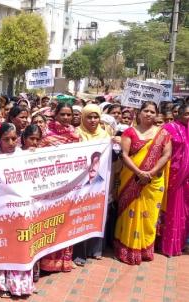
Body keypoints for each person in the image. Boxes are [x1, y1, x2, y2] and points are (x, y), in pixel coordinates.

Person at [115, 101, 171, 265]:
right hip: (131, 178)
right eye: (145, 111)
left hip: (153, 182)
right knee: (129, 212)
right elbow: (124, 155)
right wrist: (139, 172)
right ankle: (127, 249)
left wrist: (150, 173)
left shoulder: (163, 134)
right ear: (139, 113)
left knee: (150, 216)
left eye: (152, 112)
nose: (148, 114)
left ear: (156, 114)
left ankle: (145, 248)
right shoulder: (129, 132)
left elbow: (166, 155)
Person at [0, 123, 35, 297]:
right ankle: (1, 284)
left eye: (14, 138)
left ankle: (20, 285)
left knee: (19, 244)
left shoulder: (24, 155)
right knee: (3, 245)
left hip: (21, 209)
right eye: (6, 139)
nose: (11, 142)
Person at [39, 104, 79, 272]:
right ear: (55, 115)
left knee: (66, 222)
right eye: (62, 114)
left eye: (69, 114)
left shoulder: (76, 135)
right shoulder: (46, 134)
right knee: (49, 223)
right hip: (49, 186)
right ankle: (46, 261)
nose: (66, 117)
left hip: (69, 186)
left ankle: (64, 259)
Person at [72, 104, 111, 266]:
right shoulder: (76, 133)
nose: (93, 120)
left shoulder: (105, 134)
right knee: (80, 216)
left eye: (96, 117)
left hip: (99, 184)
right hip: (81, 185)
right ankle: (79, 253)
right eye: (89, 117)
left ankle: (95, 249)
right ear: (83, 117)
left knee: (96, 213)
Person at [159, 104, 189, 257]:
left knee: (185, 211)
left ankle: (182, 242)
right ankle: (169, 244)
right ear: (180, 114)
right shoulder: (170, 128)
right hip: (173, 175)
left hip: (187, 178)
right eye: (187, 114)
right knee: (171, 209)